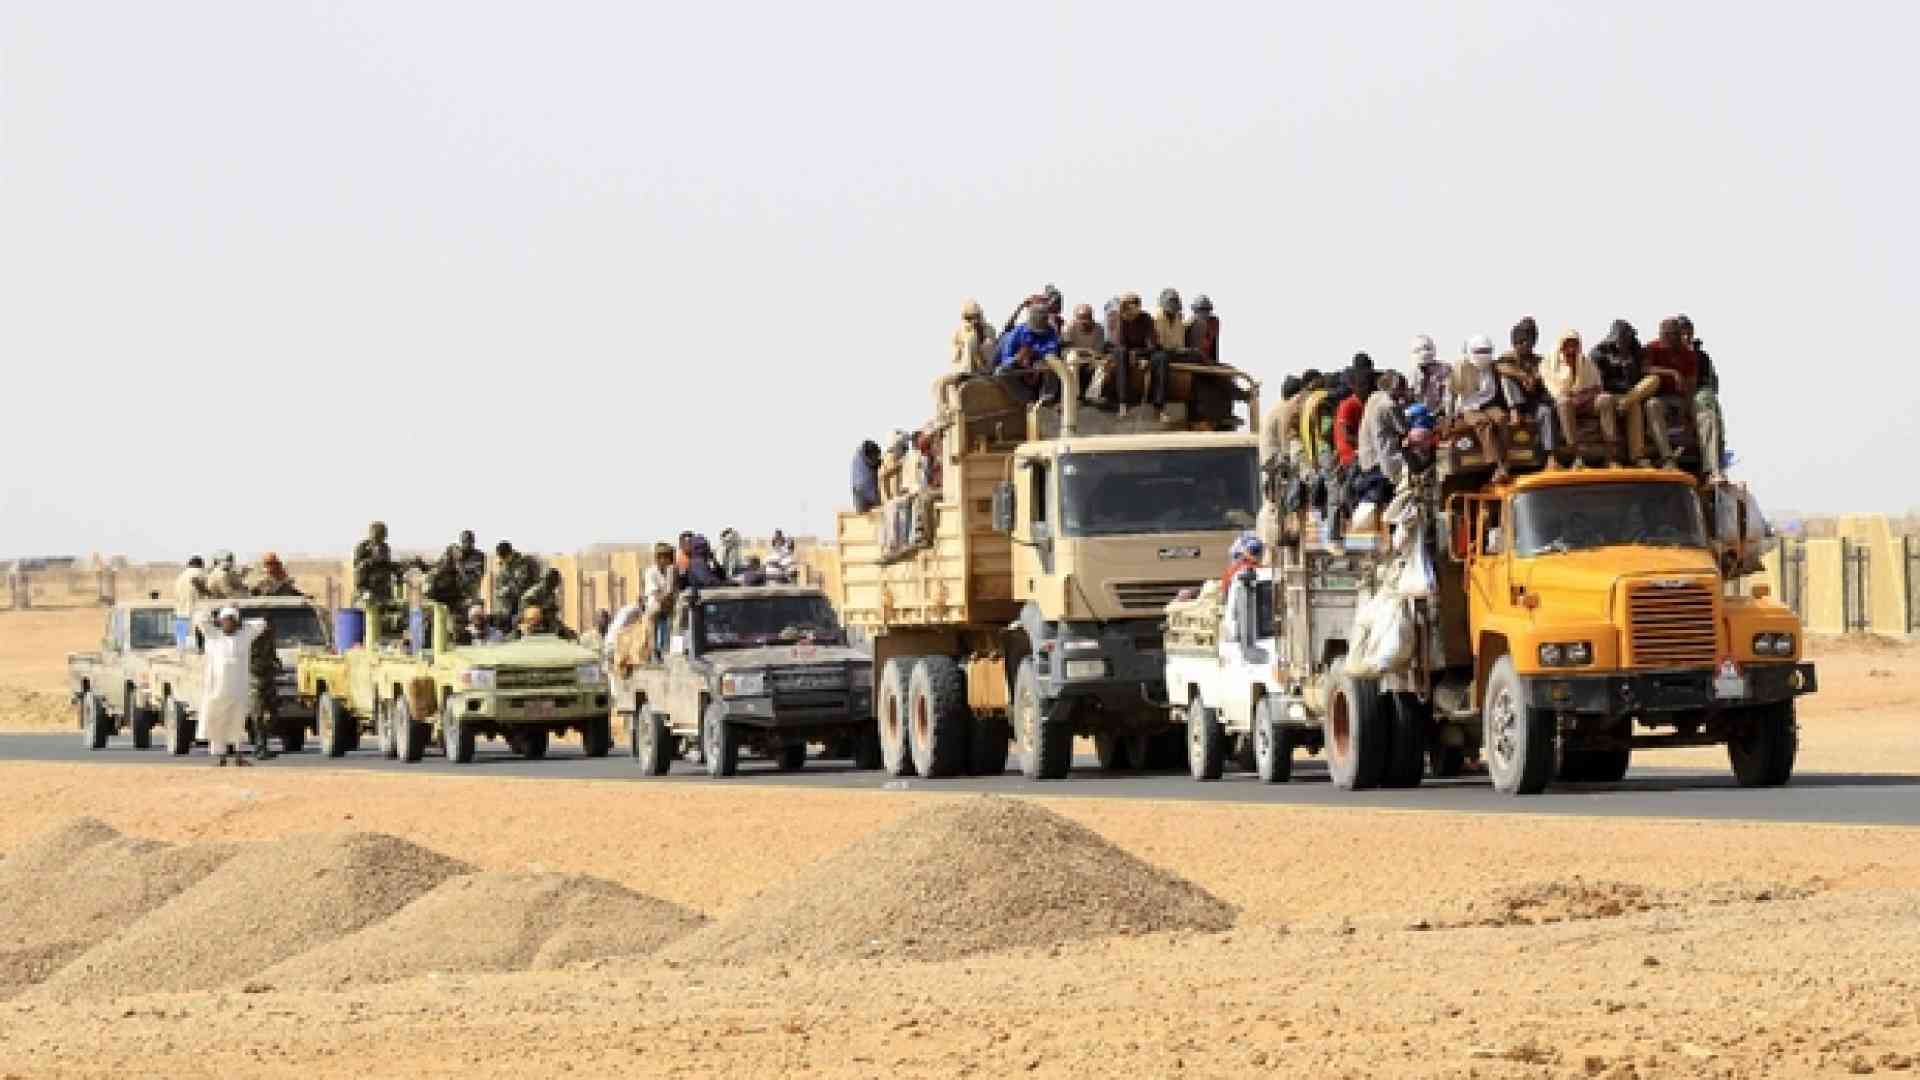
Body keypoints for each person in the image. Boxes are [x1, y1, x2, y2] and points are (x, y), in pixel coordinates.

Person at [1643, 316, 1716, 475]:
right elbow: (1645, 369)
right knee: (1652, 405)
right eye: (1663, 334)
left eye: (1669, 334)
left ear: (1677, 335)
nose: (1664, 338)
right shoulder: (1652, 348)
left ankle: (1712, 469)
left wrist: (1686, 412)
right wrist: (1672, 372)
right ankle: (1668, 458)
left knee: (1706, 415)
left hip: (1680, 398)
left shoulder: (1688, 354)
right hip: (1660, 397)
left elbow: (1691, 386)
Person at [1589, 319, 1668, 466]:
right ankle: (1613, 457)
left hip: (1631, 394)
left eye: (1627, 337)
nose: (1624, 340)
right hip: (1608, 393)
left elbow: (1642, 374)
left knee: (1653, 381)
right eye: (1621, 337)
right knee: (1620, 401)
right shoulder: (1599, 352)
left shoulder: (1635, 350)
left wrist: (1628, 366)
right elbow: (1599, 383)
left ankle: (1637, 456)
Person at [200, 606, 268, 766]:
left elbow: (262, 623)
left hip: (238, 690)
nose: (228, 624)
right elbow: (200, 619)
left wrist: (242, 622)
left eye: (231, 620)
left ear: (237, 622)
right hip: (217, 691)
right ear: (220, 621)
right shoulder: (213, 635)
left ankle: (238, 756)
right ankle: (221, 757)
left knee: (237, 724)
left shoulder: (244, 635)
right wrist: (213, 618)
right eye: (225, 620)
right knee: (218, 724)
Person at [1542, 328, 1621, 465]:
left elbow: (1597, 387)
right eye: (1567, 345)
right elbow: (1556, 391)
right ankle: (1576, 456)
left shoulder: (1586, 362)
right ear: (1561, 346)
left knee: (1606, 399)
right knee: (1564, 402)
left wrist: (1584, 393)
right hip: (1564, 404)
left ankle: (1611, 455)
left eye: (1575, 345)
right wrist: (1570, 370)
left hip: (1586, 400)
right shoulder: (1548, 363)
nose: (1571, 349)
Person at [1495, 317, 1562, 466]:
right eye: (1522, 341)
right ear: (1515, 342)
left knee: (1546, 412)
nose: (1526, 344)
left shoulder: (1538, 360)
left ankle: (1551, 456)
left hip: (1533, 402)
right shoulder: (1507, 357)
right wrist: (1523, 376)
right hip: (1511, 404)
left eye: (1529, 341)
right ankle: (1515, 410)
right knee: (1506, 379)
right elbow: (1501, 368)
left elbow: (1544, 372)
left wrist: (1535, 379)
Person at [1451, 334, 1513, 482]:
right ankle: (1498, 465)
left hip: (1489, 404)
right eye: (1479, 351)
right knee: (1483, 423)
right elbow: (1451, 393)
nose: (1483, 355)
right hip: (1469, 407)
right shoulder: (1461, 367)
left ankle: (1505, 459)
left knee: (1503, 418)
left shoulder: (1493, 367)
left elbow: (1506, 382)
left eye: (1486, 351)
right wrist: (1450, 415)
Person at [1676, 314, 1727, 480]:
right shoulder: (1663, 353)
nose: (1686, 337)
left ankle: (1714, 469)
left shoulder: (1701, 357)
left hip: (1699, 399)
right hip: (1674, 398)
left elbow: (1712, 384)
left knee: (1709, 413)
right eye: (1682, 333)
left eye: (1689, 333)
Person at [1105, 291, 1163, 414]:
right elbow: (1120, 343)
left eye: (1133, 305)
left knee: (1161, 357)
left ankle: (1159, 405)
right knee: (1121, 352)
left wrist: (1141, 356)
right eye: (1127, 307)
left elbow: (1151, 344)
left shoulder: (1146, 318)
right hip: (1124, 352)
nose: (1130, 310)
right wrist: (1134, 355)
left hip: (1143, 352)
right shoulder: (1118, 319)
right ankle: (1123, 402)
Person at [995, 305, 1063, 403]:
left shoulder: (1051, 332)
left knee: (1055, 365)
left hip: (1039, 365)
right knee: (1000, 372)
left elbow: (1052, 350)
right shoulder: (1016, 333)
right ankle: (1028, 399)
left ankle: (1047, 398)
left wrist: (1036, 355)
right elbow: (1005, 359)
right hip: (1019, 366)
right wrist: (1017, 358)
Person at [246, 620, 280, 761]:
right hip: (255, 681)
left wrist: (276, 661)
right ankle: (260, 748)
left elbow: (272, 655)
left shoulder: (270, 640)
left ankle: (260, 743)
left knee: (273, 714)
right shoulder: (251, 641)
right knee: (258, 715)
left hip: (269, 680)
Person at [638, 542, 678, 662]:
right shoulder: (651, 572)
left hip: (669, 605)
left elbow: (674, 590)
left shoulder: (672, 571)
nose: (667, 561)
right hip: (655, 605)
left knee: (677, 623)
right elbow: (656, 595)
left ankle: (673, 651)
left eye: (669, 558)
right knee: (652, 619)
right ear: (659, 558)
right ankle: (654, 652)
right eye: (664, 557)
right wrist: (667, 597)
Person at [1333, 354, 1374, 468]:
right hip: (1350, 456)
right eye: (1364, 386)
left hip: (1360, 452)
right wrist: (1368, 443)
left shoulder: (1364, 403)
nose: (1368, 390)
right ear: (1355, 387)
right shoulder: (1348, 405)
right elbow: (1347, 436)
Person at [1060, 303, 1107, 398]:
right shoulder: (1068, 328)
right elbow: (1066, 349)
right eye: (1081, 317)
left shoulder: (1099, 329)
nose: (1084, 321)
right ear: (1075, 318)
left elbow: (1098, 351)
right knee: (1072, 358)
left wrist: (1092, 359)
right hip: (1075, 358)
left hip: (1092, 358)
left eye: (1087, 317)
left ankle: (1092, 395)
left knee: (1103, 364)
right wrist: (1083, 352)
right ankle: (1074, 393)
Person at [492, 541, 541, 627]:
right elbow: (499, 585)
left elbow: (521, 583)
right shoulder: (503, 565)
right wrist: (501, 592)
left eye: (504, 558)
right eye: (501, 558)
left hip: (525, 601)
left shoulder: (523, 563)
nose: (502, 560)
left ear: (510, 554)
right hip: (509, 603)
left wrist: (507, 589)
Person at [950, 299, 999, 376]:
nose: (973, 321)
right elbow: (955, 356)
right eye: (969, 318)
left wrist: (980, 337)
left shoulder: (989, 329)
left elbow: (992, 349)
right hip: (963, 367)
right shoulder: (959, 332)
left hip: (985, 367)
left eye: (975, 317)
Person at [173, 555, 210, 648]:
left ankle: (181, 650)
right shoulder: (201, 574)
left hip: (181, 611)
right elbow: (206, 591)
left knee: (181, 641)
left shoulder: (181, 576)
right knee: (200, 640)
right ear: (201, 564)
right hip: (197, 610)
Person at [1408, 334, 1450, 414]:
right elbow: (1411, 396)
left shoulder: (1444, 370)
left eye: (1426, 349)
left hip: (1440, 413)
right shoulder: (1413, 374)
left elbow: (1448, 397)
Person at [519, 568, 568, 635]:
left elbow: (551, 608)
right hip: (530, 613)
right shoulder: (537, 589)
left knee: (556, 623)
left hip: (542, 615)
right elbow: (525, 601)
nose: (556, 585)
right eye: (555, 581)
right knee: (536, 612)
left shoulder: (550, 592)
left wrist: (553, 608)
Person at [455, 530, 488, 608]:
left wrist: (461, 566)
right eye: (464, 542)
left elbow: (477, 575)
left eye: (470, 542)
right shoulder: (456, 554)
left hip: (471, 595)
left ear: (473, 542)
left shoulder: (479, 556)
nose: (467, 544)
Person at [1185, 295, 1220, 363]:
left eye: (1206, 309)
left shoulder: (1214, 322)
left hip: (1208, 359)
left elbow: (1214, 345)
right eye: (1202, 309)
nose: (1204, 312)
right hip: (1193, 359)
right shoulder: (1190, 324)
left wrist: (1215, 362)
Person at [850, 440, 882, 512]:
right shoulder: (864, 457)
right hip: (866, 492)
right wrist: (880, 462)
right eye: (876, 455)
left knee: (865, 515)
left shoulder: (857, 455)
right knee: (877, 513)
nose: (877, 457)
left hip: (858, 493)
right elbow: (872, 463)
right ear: (871, 452)